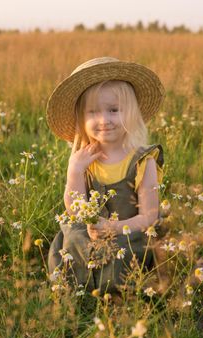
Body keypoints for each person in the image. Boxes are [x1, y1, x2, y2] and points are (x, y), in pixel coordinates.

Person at [46, 57, 165, 293]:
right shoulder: (84, 159)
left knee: (124, 250)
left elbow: (149, 217)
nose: (104, 120)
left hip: (129, 229)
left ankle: (112, 291)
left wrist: (114, 227)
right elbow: (75, 210)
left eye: (113, 110)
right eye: (93, 112)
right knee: (72, 240)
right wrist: (75, 171)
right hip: (92, 231)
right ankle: (76, 286)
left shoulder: (142, 160)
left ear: (130, 113)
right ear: (82, 118)